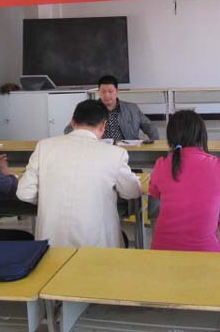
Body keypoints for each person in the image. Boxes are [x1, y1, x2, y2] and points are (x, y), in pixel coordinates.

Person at [17, 99, 142, 248]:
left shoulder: (44, 146)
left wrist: (51, 198)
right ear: (103, 125)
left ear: (72, 122)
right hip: (98, 244)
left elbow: (24, 193)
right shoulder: (115, 153)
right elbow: (132, 191)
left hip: (51, 243)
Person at [149, 110, 220, 252]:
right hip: (205, 250)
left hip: (162, 250)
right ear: (202, 135)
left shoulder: (161, 164)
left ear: (170, 137)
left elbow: (154, 192)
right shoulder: (219, 166)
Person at [64, 75, 159, 141]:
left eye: (110, 91)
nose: (107, 95)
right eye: (103, 91)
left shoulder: (132, 108)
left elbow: (150, 127)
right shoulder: (90, 109)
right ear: (99, 92)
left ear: (117, 91)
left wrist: (154, 142)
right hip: (98, 150)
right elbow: (68, 130)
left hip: (128, 150)